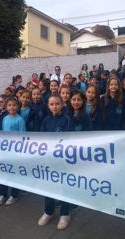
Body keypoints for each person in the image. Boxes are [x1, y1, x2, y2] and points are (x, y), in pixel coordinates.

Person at [38, 94, 72, 230]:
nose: (54, 106)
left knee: (64, 185)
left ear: (62, 104)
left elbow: (69, 139)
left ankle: (65, 213)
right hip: (49, 159)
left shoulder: (67, 120)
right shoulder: (46, 120)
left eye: (57, 104)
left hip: (63, 159)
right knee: (49, 185)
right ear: (48, 106)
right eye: (51, 104)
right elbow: (41, 138)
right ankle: (49, 211)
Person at [0, 97, 25, 206]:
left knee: (14, 172)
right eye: (9, 105)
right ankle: (3, 194)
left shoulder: (20, 119)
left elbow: (23, 136)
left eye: (14, 105)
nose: (12, 107)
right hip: (5, 150)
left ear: (18, 106)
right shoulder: (5, 118)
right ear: (6, 107)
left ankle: (14, 194)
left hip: (15, 151)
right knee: (4, 172)